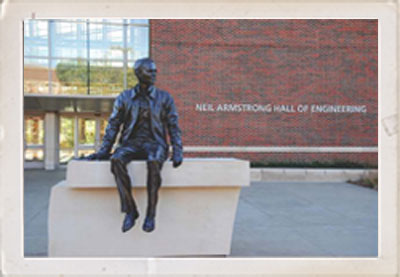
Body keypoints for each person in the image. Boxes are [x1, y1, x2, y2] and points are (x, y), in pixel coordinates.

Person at [84, 58, 183, 233]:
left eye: (154, 71)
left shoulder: (164, 97)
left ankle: (151, 214)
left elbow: (173, 125)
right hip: (131, 142)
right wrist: (104, 151)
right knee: (116, 160)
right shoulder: (124, 98)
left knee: (154, 162)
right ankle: (131, 210)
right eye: (149, 71)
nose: (154, 74)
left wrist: (177, 150)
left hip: (155, 143)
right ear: (138, 73)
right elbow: (113, 125)